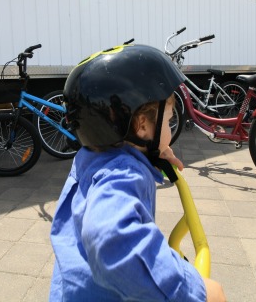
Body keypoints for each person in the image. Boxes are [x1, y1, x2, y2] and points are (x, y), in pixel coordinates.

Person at [49, 44, 226, 301]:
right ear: (142, 126)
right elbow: (110, 238)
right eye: (168, 121)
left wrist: (151, 155)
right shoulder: (123, 173)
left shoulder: (92, 157)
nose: (171, 127)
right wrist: (191, 291)